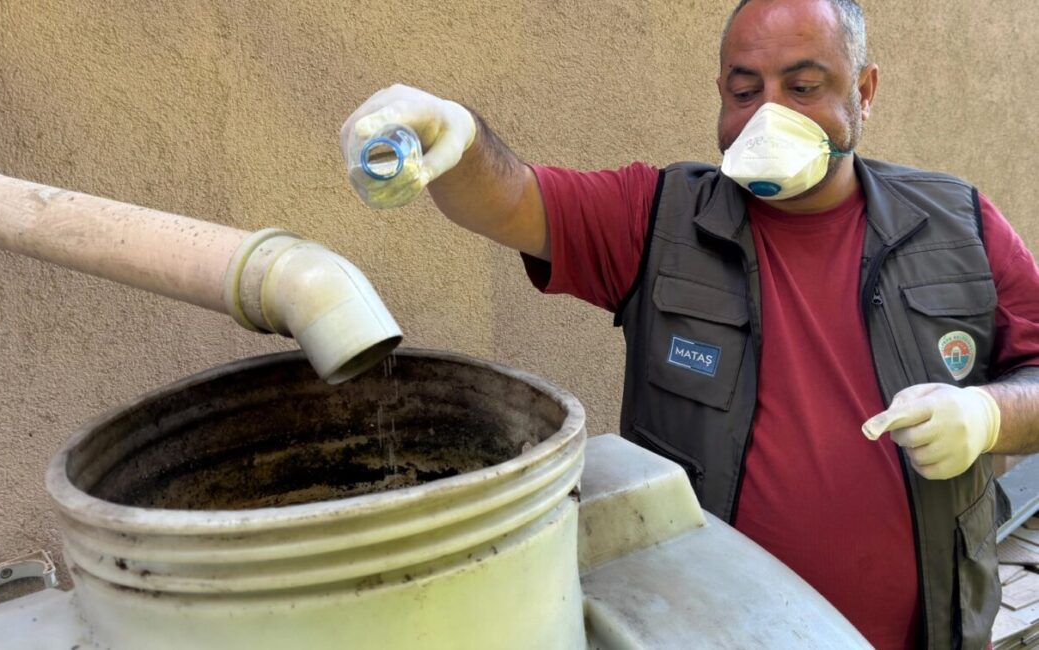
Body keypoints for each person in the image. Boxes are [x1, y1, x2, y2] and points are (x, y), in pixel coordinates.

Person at [340, 1, 1039, 648]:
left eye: (803, 88)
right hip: (699, 636)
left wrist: (986, 415)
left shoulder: (959, 227)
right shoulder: (658, 219)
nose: (768, 115)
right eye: (744, 91)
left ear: (864, 91)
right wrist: (454, 137)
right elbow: (515, 201)